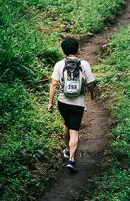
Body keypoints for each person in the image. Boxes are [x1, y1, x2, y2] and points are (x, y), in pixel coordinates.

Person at [48, 37, 96, 172]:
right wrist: (92, 95)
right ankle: (72, 160)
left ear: (64, 51)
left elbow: (54, 84)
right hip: (78, 103)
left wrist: (50, 102)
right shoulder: (84, 64)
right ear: (77, 49)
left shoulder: (59, 64)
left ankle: (68, 150)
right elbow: (90, 84)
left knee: (67, 123)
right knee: (74, 130)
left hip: (62, 101)